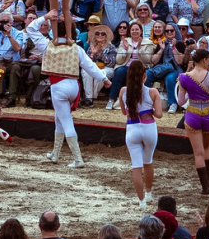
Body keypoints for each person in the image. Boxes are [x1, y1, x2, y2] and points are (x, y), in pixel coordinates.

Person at [43, 18, 112, 168]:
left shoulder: (47, 46)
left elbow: (31, 31)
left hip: (58, 87)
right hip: (73, 86)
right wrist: (104, 78)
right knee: (59, 119)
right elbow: (90, 66)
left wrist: (45, 17)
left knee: (66, 122)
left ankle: (78, 159)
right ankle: (55, 153)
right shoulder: (77, 48)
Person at [178, 49, 209, 194]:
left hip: (193, 113)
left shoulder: (184, 77)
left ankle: (204, 188)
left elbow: (180, 101)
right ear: (204, 60)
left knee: (198, 153)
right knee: (208, 148)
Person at [119, 60, 162, 208]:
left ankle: (141, 201)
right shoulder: (153, 92)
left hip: (132, 128)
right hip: (148, 127)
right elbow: (159, 114)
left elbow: (124, 112)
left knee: (136, 166)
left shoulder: (123, 91)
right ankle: (149, 193)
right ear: (145, 76)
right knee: (148, 161)